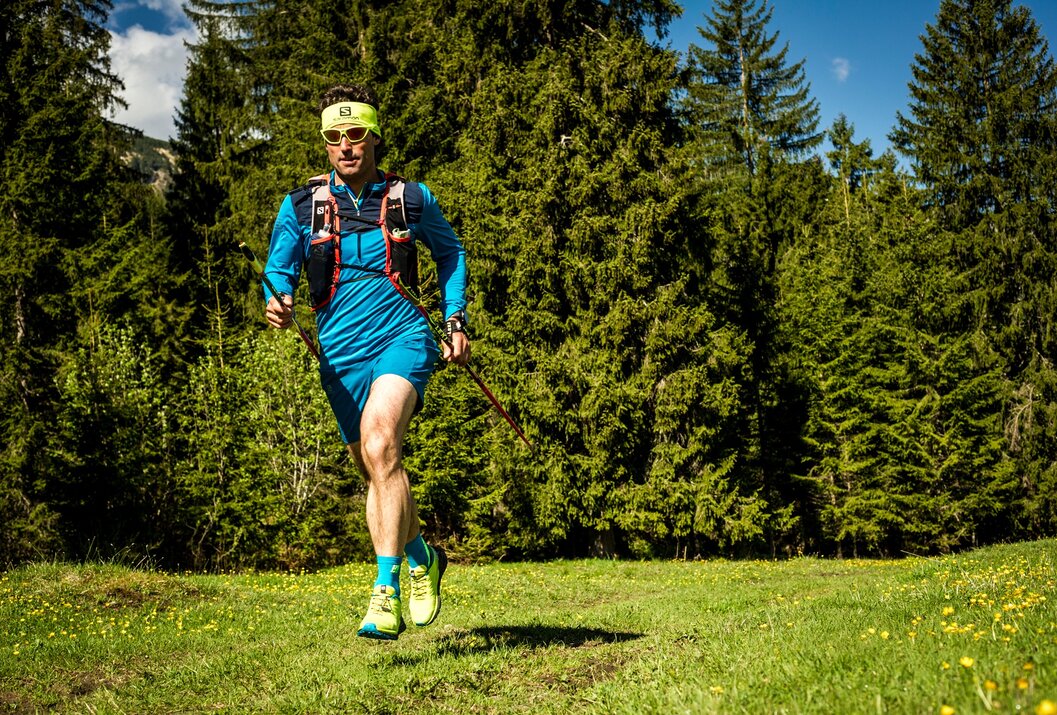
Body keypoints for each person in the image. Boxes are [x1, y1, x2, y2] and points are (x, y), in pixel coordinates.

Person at [263, 83, 469, 641]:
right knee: (375, 469)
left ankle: (386, 591)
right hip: (338, 354)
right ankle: (424, 554)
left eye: (356, 134)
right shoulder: (301, 205)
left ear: (375, 136)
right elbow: (276, 269)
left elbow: (451, 253)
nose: (346, 145)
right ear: (326, 143)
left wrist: (455, 318)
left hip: (402, 335)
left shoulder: (410, 198)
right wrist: (277, 300)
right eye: (335, 136)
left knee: (382, 442)